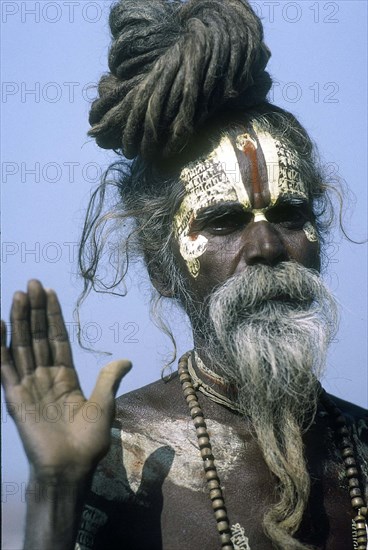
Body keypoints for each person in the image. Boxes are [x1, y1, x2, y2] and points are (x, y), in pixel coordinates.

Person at [1, 1, 367, 549]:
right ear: (162, 268)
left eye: (290, 215)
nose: (266, 246)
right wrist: (56, 490)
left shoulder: (360, 448)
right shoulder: (117, 461)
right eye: (223, 221)